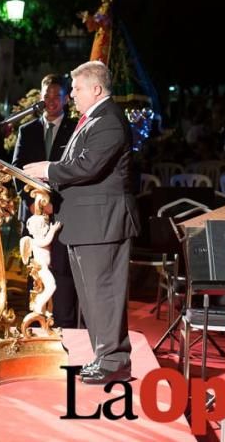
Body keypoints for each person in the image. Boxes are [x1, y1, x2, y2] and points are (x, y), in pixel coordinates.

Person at [23, 61, 139, 385]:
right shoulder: (93, 119)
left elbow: (88, 166)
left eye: (76, 89)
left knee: (104, 295)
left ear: (96, 89)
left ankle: (114, 360)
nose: (71, 94)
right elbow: (77, 163)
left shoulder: (109, 121)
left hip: (103, 224)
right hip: (88, 223)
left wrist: (47, 169)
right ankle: (104, 357)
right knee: (92, 297)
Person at [12, 75, 79, 328]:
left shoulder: (75, 129)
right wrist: (33, 203)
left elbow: (75, 171)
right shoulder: (26, 130)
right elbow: (16, 169)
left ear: (66, 98)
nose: (51, 101)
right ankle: (37, 323)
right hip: (32, 214)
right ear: (41, 97)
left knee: (61, 272)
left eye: (56, 96)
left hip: (63, 212)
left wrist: (55, 204)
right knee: (36, 272)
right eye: (47, 96)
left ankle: (64, 326)